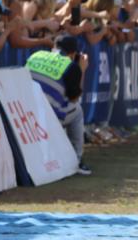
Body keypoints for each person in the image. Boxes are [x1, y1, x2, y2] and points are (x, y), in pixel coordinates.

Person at [27, 36, 93, 175]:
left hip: (24, 113)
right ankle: (76, 160)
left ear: (54, 47)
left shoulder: (36, 55)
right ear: (74, 53)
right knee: (78, 111)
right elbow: (75, 98)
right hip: (47, 117)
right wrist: (81, 70)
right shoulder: (71, 66)